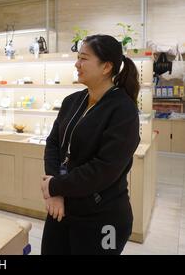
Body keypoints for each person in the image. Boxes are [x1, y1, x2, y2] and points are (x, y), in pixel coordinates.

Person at [40, 34, 141, 255]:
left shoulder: (123, 110)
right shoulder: (72, 101)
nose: (77, 64)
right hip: (61, 209)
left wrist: (55, 186)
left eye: (84, 58)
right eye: (78, 57)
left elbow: (104, 169)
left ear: (106, 67)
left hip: (103, 219)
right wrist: (54, 189)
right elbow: (53, 144)